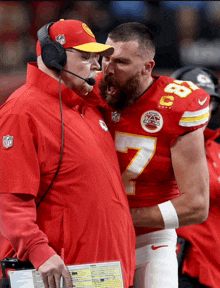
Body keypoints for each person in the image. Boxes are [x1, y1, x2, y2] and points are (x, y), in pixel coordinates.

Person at [0, 19, 136, 288]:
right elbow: (9, 197)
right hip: (61, 273)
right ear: (54, 57)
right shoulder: (21, 112)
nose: (97, 66)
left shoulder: (85, 107)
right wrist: (39, 253)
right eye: (87, 57)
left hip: (105, 273)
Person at [90, 22, 210, 288]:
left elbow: (197, 206)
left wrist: (120, 215)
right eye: (105, 58)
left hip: (150, 236)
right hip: (97, 234)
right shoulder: (88, 89)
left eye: (121, 61)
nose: (108, 69)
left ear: (147, 67)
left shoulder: (176, 107)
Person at [170, 66, 220, 288]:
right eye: (194, 98)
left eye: (207, 101)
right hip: (177, 268)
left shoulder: (217, 152)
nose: (201, 107)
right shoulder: (158, 147)